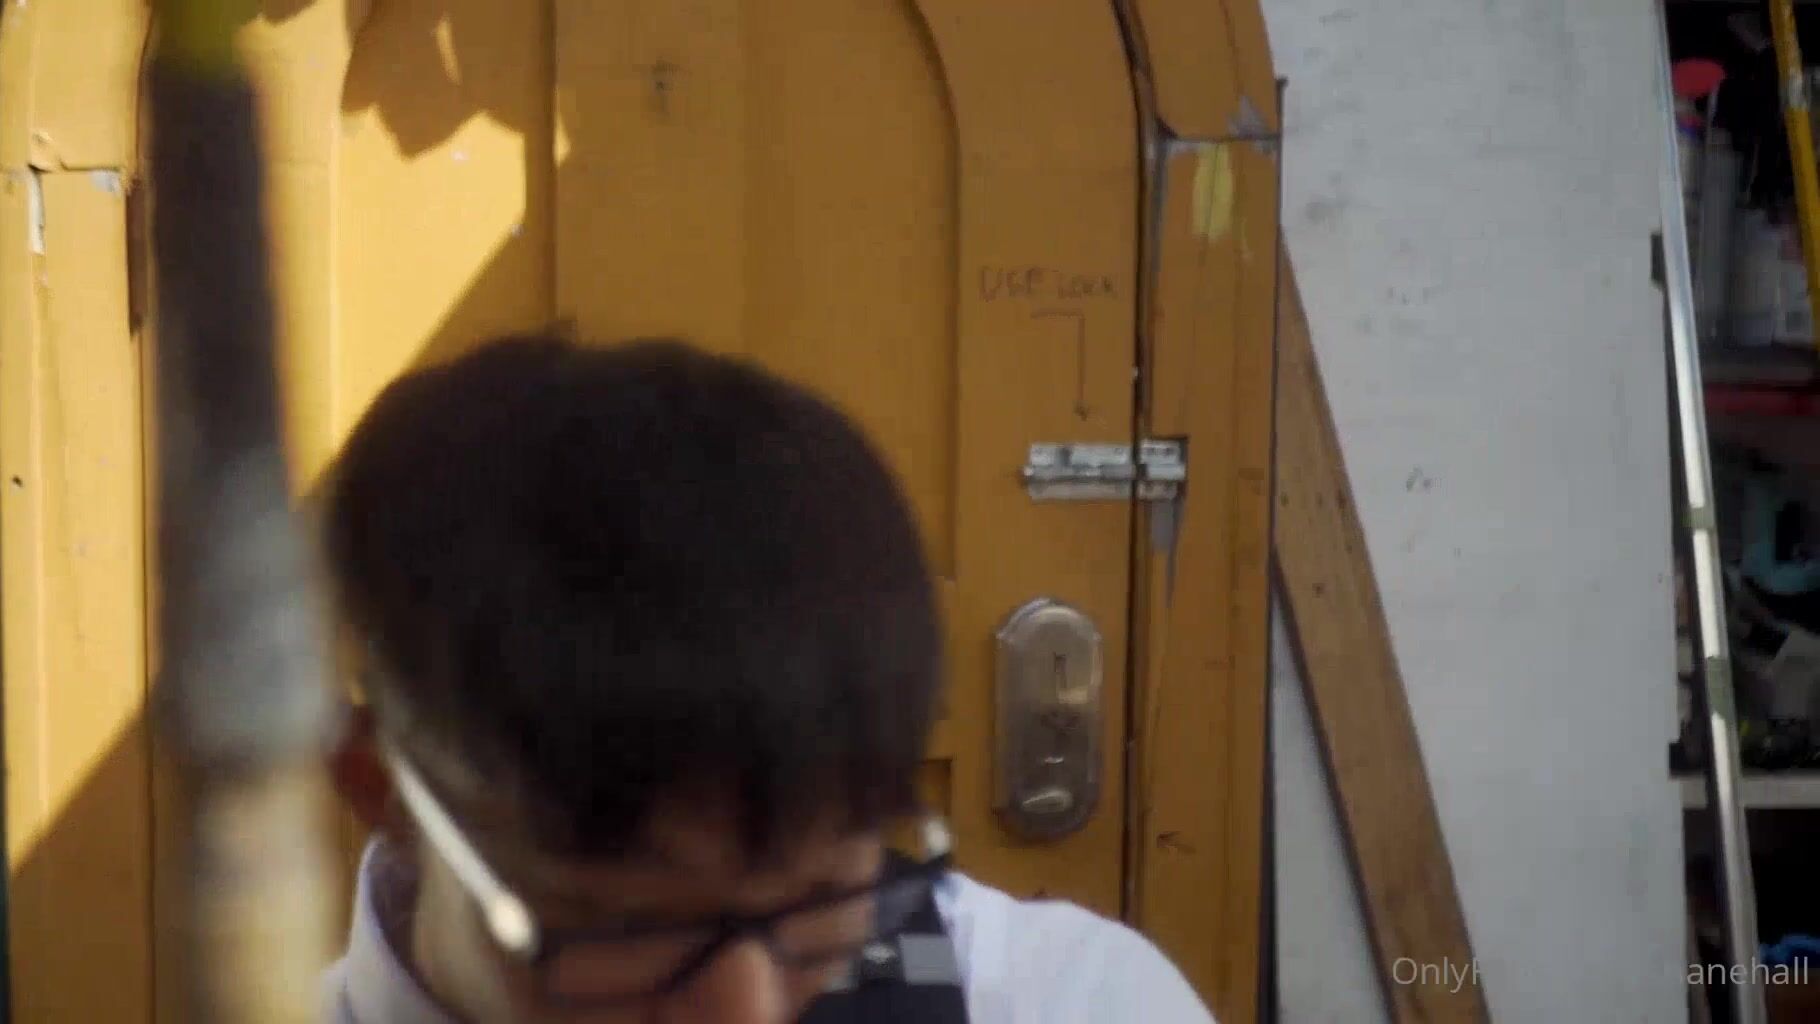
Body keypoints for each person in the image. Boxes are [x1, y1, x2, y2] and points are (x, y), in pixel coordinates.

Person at [318, 334, 1217, 1023]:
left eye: (821, 898)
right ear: (383, 786)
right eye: (631, 927)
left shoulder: (1057, 1002)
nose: (745, 1011)